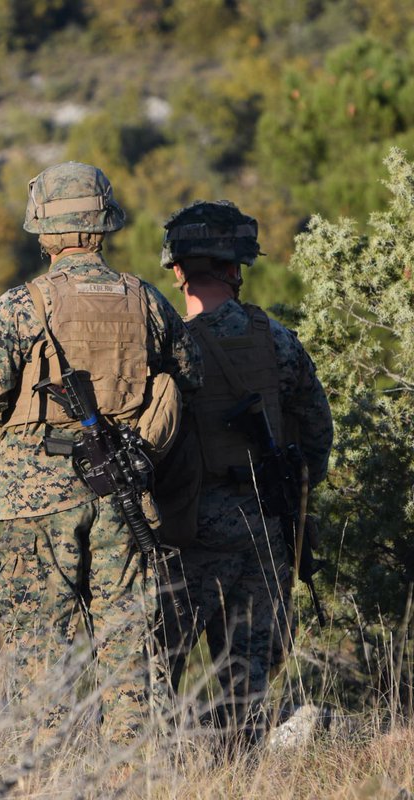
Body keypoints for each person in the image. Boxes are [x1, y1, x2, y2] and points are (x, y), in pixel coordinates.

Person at [0, 161, 202, 740]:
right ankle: (136, 767)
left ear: (43, 228)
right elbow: (192, 375)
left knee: (41, 637)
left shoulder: (21, 307)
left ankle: (47, 765)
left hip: (37, 493)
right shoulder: (145, 300)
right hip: (125, 489)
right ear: (103, 223)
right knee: (129, 637)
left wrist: (13, 423)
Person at [155, 200, 333, 744]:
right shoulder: (276, 338)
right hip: (264, 525)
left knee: (160, 665)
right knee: (249, 669)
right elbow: (316, 433)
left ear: (179, 269)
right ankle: (241, 772)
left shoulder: (165, 347)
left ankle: (161, 774)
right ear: (237, 268)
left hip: (189, 531)